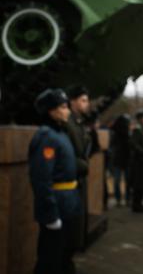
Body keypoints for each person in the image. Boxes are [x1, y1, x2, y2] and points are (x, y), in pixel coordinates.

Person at [29, 89, 81, 274]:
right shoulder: (46, 136)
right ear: (51, 111)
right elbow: (41, 179)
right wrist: (50, 214)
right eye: (63, 107)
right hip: (57, 205)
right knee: (50, 258)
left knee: (65, 253)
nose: (68, 111)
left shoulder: (61, 134)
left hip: (68, 203)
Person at [65, 84, 91, 249]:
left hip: (79, 179)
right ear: (72, 102)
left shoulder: (79, 122)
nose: (86, 104)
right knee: (70, 227)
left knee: (77, 224)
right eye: (83, 100)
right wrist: (82, 165)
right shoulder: (68, 123)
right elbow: (67, 153)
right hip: (71, 181)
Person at [129, 109, 143, 213]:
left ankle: (139, 203)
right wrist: (142, 152)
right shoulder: (137, 130)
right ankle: (136, 205)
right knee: (138, 184)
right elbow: (133, 144)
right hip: (139, 161)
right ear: (141, 119)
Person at [110, 114, 131, 206]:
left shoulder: (114, 132)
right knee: (126, 181)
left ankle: (119, 199)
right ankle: (127, 199)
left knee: (118, 181)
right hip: (124, 159)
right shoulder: (126, 134)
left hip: (118, 159)